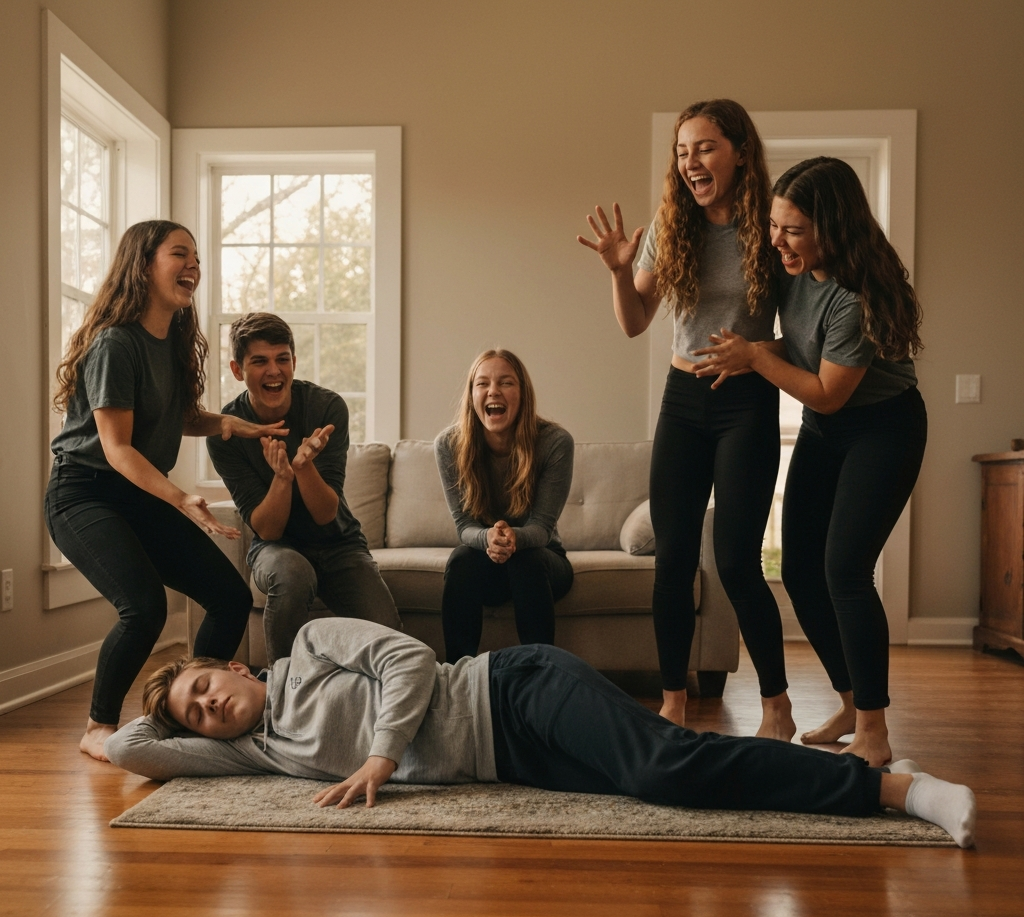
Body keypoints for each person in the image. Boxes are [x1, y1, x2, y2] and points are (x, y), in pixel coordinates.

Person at [104, 618, 977, 849]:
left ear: (239, 668)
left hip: (514, 688)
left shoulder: (310, 647)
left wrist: (380, 755)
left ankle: (895, 789)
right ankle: (881, 782)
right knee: (677, 771)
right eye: (192, 711)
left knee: (668, 766)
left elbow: (409, 661)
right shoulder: (257, 751)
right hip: (511, 760)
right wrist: (109, 730)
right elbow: (132, 748)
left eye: (204, 686)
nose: (206, 708)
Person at [693, 157, 927, 767]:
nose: (777, 241)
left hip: (883, 429)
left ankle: (873, 731)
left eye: (792, 230)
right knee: (799, 570)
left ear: (834, 227)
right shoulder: (792, 267)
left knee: (845, 571)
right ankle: (851, 701)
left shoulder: (857, 297)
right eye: (775, 226)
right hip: (829, 430)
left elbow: (826, 389)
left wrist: (751, 355)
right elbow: (798, 351)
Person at [578, 98, 791, 736]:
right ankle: (673, 701)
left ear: (739, 152)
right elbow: (635, 321)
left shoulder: (773, 228)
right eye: (681, 151)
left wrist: (755, 352)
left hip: (746, 401)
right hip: (683, 399)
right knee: (671, 558)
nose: (690, 162)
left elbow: (805, 340)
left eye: (703, 147)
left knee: (735, 561)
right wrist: (620, 273)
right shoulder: (672, 227)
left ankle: (777, 706)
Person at [46, 220, 287, 761]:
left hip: (137, 495)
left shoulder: (172, 343)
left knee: (227, 598)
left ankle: (192, 715)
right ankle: (97, 726)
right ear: (144, 264)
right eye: (180, 254)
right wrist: (180, 498)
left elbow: (178, 416)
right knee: (144, 607)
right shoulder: (115, 343)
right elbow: (116, 448)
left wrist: (234, 425)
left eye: (196, 257)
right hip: (84, 493)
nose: (193, 265)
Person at [206, 312, 401, 665]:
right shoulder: (227, 433)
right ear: (238, 370)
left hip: (339, 543)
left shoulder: (326, 408)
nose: (274, 371)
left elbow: (327, 513)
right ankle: (282, 696)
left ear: (294, 362)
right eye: (260, 361)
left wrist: (302, 467)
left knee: (391, 640)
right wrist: (282, 478)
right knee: (292, 573)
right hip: (276, 548)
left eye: (282, 359)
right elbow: (268, 528)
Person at [434, 349, 574, 663]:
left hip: (544, 561)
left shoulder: (554, 442)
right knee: (460, 560)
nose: (493, 391)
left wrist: (514, 539)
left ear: (522, 394)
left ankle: (540, 678)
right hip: (486, 563)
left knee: (525, 559)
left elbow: (541, 528)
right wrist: (489, 539)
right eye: (482, 383)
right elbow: (464, 527)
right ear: (472, 396)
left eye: (506, 383)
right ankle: (457, 677)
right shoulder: (448, 445)